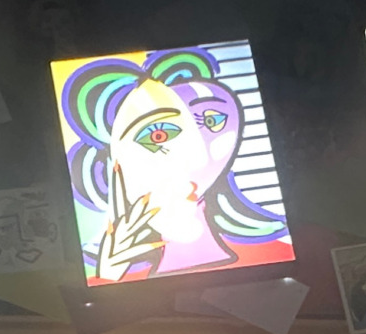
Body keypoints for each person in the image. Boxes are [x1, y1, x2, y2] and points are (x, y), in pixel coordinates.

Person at [59, 45, 291, 283]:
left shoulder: (277, 255)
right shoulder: (108, 276)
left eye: (211, 122)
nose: (197, 156)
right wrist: (109, 278)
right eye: (158, 135)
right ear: (109, 162)